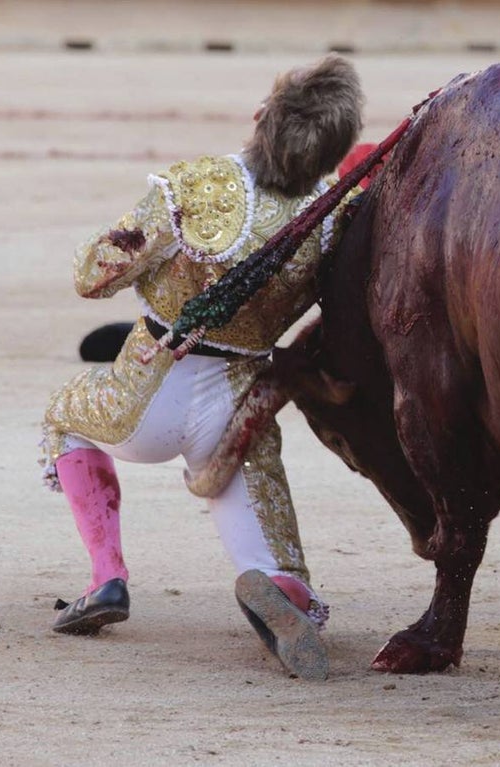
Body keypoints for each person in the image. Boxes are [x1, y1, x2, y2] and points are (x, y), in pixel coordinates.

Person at [40, 55, 365, 680]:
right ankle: (281, 588)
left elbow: (92, 277)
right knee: (273, 561)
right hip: (238, 414)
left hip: (146, 391)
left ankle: (106, 578)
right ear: (333, 152)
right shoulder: (336, 216)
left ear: (261, 116)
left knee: (65, 418)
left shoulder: (194, 186)